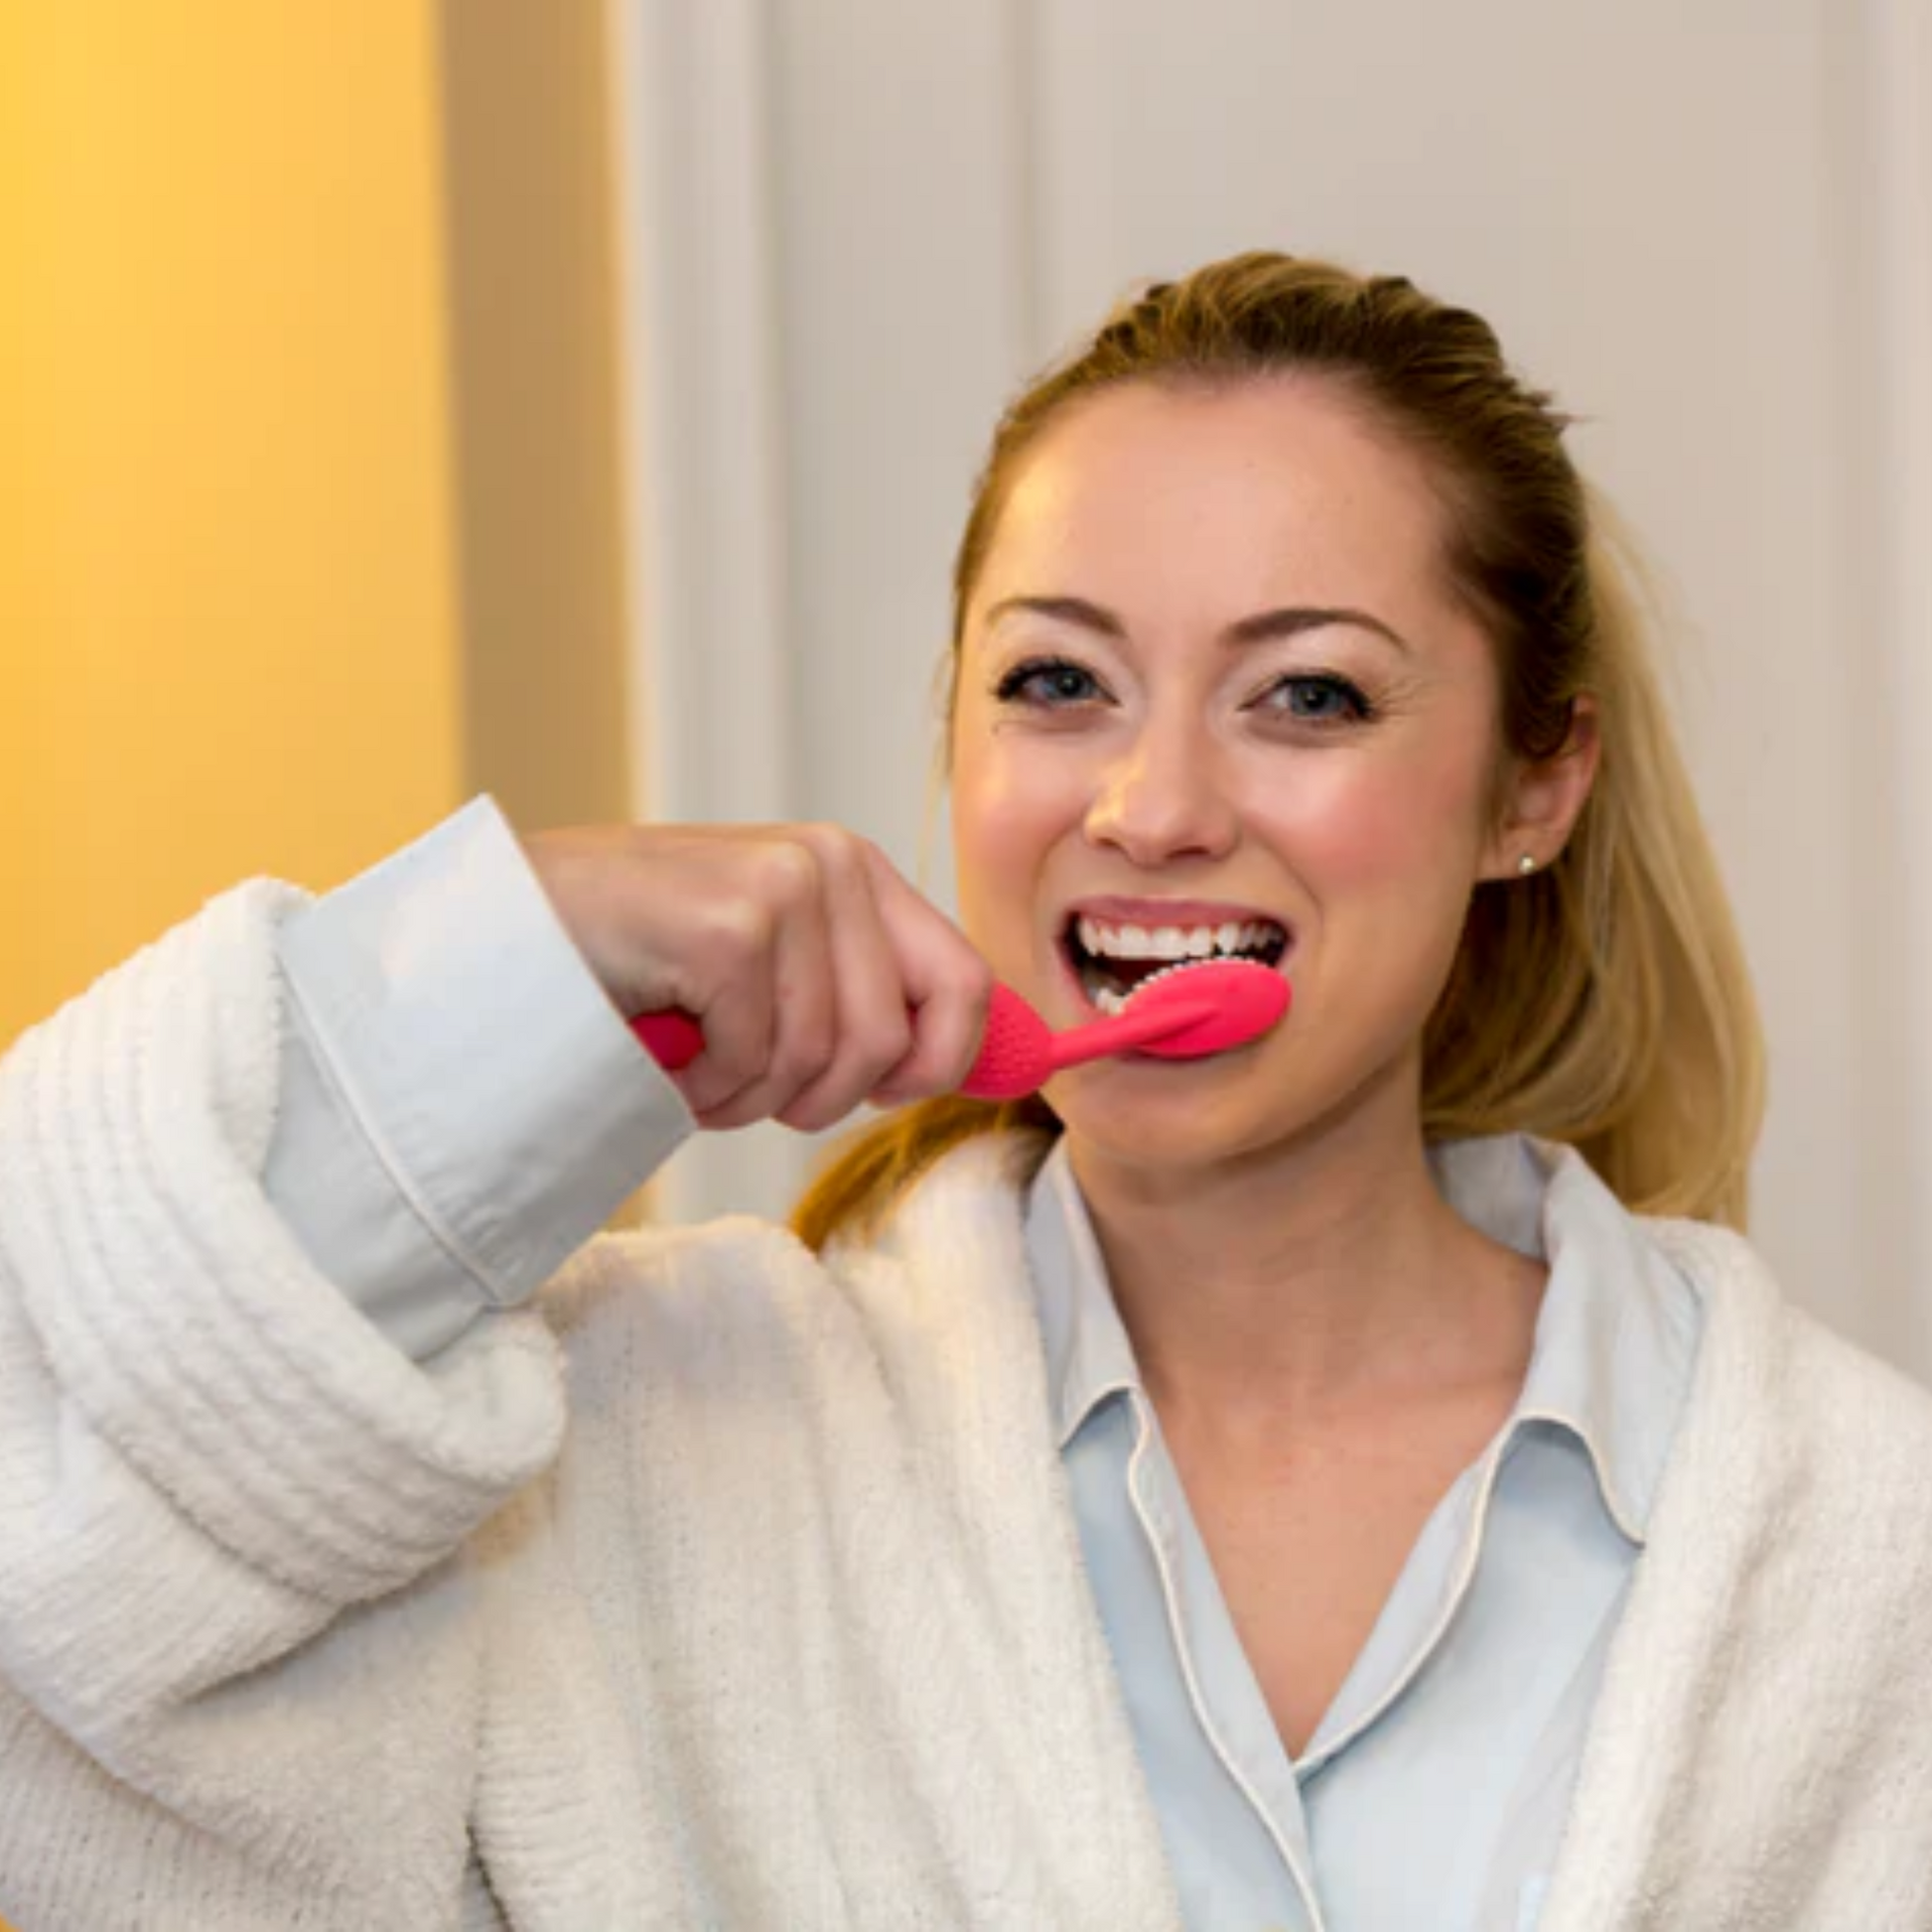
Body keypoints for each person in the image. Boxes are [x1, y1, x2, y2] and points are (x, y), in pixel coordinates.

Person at [2, 254, 1929, 1932]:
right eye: (1056, 682)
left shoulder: (1855, 1543)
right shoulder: (635, 1447)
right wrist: (508, 963)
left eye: (1308, 695)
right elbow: (71, 1529)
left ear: (1535, 784)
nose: (1153, 806)